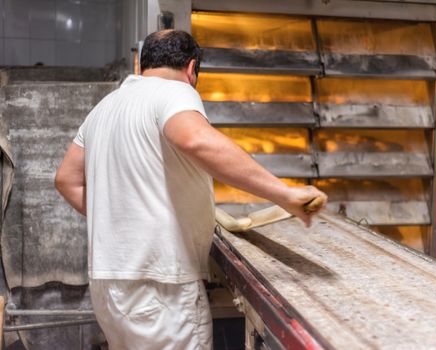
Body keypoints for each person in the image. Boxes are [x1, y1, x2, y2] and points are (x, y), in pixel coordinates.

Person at [55, 30, 327, 350]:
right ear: (191, 68)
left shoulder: (106, 107)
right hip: (161, 284)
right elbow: (195, 140)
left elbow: (66, 180)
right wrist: (286, 194)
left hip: (109, 286)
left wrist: (122, 215)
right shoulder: (175, 91)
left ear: (143, 63)